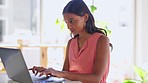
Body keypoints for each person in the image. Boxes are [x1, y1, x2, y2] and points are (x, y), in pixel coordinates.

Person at [29, 0, 112, 83]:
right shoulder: (71, 43)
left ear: (85, 17)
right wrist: (47, 71)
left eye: (72, 21)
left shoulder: (101, 40)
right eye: (66, 22)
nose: (68, 26)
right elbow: (65, 74)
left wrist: (61, 73)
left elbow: (96, 78)